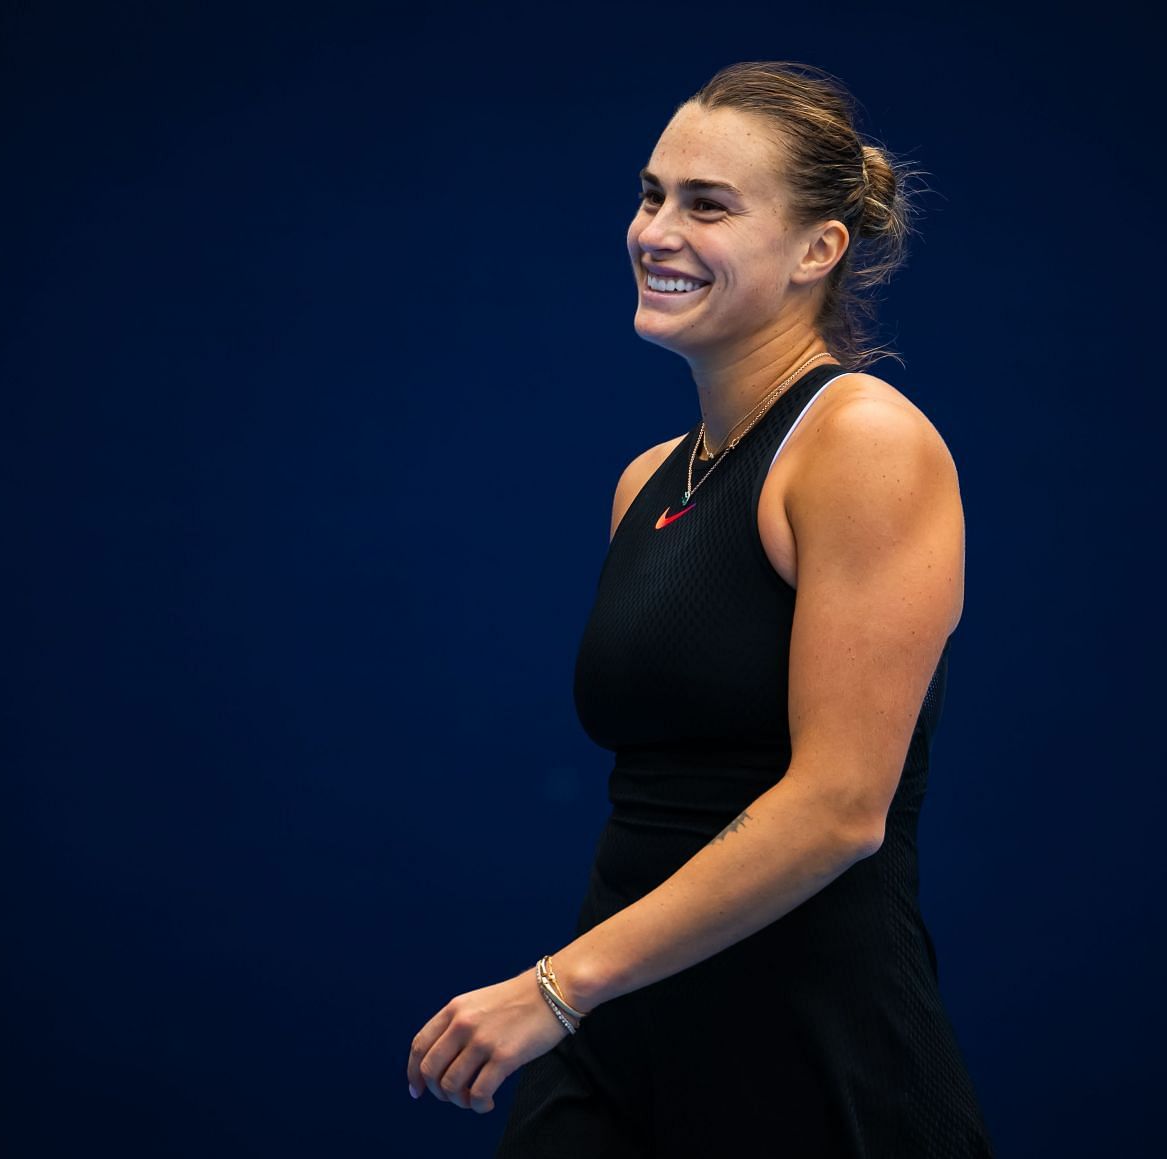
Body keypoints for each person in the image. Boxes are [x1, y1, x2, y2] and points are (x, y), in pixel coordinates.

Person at [407, 60, 993, 1157]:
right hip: (616, 1042)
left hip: (812, 1051)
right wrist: (584, 996)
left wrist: (557, 986)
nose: (656, 229)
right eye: (651, 193)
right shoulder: (647, 481)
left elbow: (837, 809)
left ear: (819, 250)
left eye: (708, 205)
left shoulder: (862, 439)